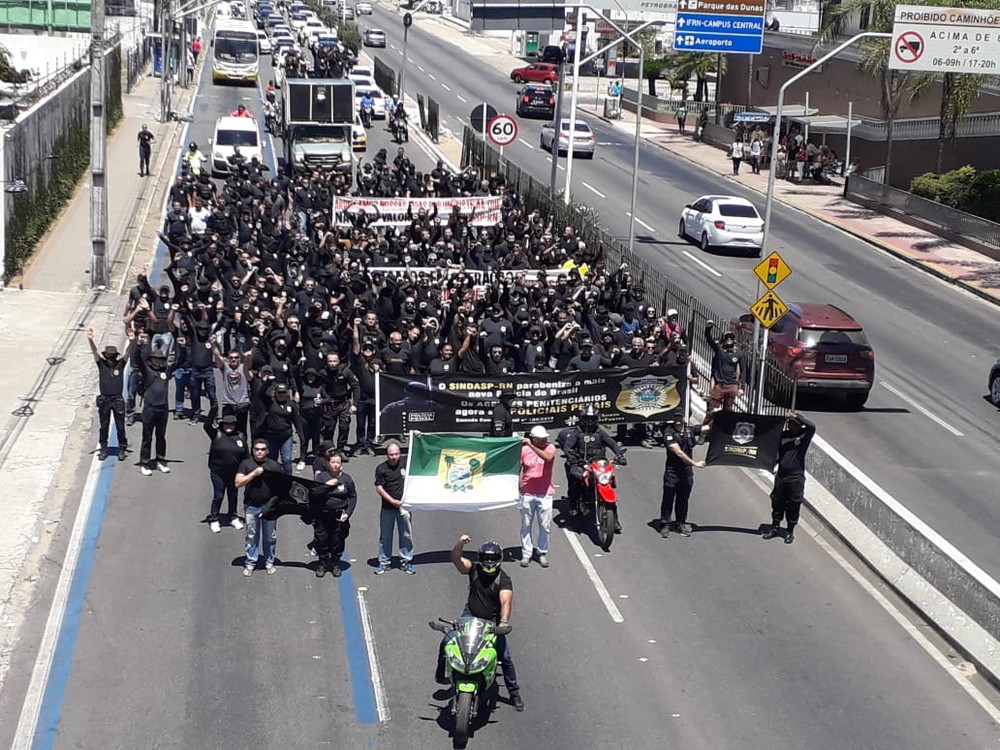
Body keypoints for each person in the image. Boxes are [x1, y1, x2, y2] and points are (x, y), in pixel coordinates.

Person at [437, 536, 523, 712]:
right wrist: (460, 543)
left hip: (492, 621)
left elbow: (506, 602)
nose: (489, 562)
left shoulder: (504, 579)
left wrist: (503, 622)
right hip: (470, 616)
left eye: (492, 559)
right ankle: (440, 672)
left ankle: (514, 693)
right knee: (447, 640)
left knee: (504, 656)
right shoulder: (474, 569)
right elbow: (456, 559)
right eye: (486, 558)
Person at [562, 405, 626, 522]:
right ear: (582, 418)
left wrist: (620, 455)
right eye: (587, 418)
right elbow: (567, 447)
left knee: (609, 482)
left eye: (592, 419)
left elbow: (612, 443)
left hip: (598, 463)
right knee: (575, 480)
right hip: (581, 463)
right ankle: (573, 504)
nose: (590, 421)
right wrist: (575, 458)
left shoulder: (600, 432)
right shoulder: (577, 433)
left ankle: (615, 520)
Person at [763, 411, 816, 544]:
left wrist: (795, 416)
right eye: (789, 423)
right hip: (782, 475)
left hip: (795, 477)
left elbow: (812, 427)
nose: (790, 426)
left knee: (794, 503)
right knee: (777, 500)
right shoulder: (784, 435)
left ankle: (790, 531)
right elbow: (776, 450)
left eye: (793, 423)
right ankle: (775, 526)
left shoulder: (804, 436)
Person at [235, 438, 283, 576]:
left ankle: (269, 562)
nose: (259, 452)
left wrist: (274, 504)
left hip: (270, 507)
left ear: (267, 451)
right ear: (252, 450)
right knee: (251, 536)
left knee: (270, 537)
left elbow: (282, 487)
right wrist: (253, 474)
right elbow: (238, 483)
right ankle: (250, 563)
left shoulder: (275, 466)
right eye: (257, 449)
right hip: (251, 506)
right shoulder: (246, 464)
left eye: (262, 449)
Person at [87, 327, 134, 460]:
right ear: (106, 355)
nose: (110, 358)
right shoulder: (101, 364)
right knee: (104, 426)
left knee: (120, 426)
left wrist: (132, 341)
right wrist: (90, 340)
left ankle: (122, 448)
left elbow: (128, 352)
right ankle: (104, 448)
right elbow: (94, 352)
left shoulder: (120, 364)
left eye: (112, 356)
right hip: (105, 400)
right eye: (109, 355)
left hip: (117, 399)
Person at [659, 410, 705, 538]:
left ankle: (680, 523)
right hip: (672, 472)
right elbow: (678, 453)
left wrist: (715, 415)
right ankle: (665, 524)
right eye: (676, 419)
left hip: (686, 472)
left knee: (683, 499)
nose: (678, 422)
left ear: (683, 418)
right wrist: (695, 463)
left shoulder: (690, 430)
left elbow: (707, 428)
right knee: (668, 498)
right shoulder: (668, 433)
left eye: (680, 418)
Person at [313, 451, 358, 578]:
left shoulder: (346, 479)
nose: (335, 465)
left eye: (338, 462)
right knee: (322, 539)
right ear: (328, 463)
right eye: (333, 462)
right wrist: (327, 485)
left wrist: (348, 513)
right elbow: (314, 493)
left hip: (339, 515)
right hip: (323, 514)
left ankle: (336, 563)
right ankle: (322, 563)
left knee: (337, 539)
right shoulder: (322, 477)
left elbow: (353, 497)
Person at [374, 440, 414, 574]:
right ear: (387, 455)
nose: (394, 457)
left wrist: (418, 437)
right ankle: (384, 562)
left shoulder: (406, 463)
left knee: (406, 535)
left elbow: (417, 453)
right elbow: (379, 488)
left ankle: (405, 561)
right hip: (388, 508)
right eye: (391, 454)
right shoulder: (381, 468)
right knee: (385, 536)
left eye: (396, 454)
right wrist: (392, 501)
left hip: (404, 507)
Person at [204, 414, 248, 533]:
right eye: (226, 424)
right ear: (222, 425)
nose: (229, 426)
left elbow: (246, 456)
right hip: (218, 472)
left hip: (234, 473)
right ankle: (214, 519)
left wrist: (246, 471)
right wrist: (213, 410)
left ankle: (233, 516)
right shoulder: (217, 435)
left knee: (233, 495)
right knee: (218, 495)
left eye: (231, 424)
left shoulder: (240, 437)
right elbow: (206, 426)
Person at [519, 425, 555, 568]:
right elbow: (517, 467)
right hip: (527, 493)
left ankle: (542, 552)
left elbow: (547, 458)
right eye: (540, 438)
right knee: (526, 525)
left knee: (545, 526)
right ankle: (526, 553)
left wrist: (530, 445)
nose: (544, 440)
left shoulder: (550, 448)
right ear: (534, 438)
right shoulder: (523, 451)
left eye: (544, 438)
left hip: (545, 493)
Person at [138, 346, 175, 476]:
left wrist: (181, 347)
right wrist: (137, 344)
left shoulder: (166, 371)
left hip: (163, 409)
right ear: (152, 359)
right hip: (149, 409)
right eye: (156, 358)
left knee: (161, 437)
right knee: (147, 437)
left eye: (160, 359)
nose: (158, 361)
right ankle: (144, 463)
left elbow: (180, 361)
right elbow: (138, 360)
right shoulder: (147, 370)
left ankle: (161, 460)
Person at [702, 321, 746, 429]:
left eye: (731, 337)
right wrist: (708, 328)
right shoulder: (719, 350)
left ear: (734, 340)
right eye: (727, 337)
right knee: (711, 410)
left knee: (728, 411)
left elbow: (743, 371)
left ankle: (723, 431)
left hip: (731, 386)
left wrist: (741, 387)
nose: (729, 339)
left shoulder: (739, 353)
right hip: (720, 385)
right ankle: (705, 430)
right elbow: (709, 339)